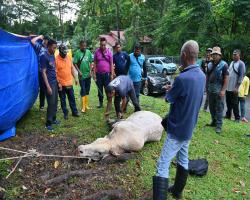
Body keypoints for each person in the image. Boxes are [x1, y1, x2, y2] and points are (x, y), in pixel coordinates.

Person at [153, 40, 205, 200]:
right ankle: (177, 191)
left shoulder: (182, 78)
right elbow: (186, 95)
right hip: (189, 127)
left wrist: (171, 89)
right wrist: (174, 87)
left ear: (184, 55)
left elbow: (168, 99)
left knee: (162, 164)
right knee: (183, 158)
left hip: (176, 129)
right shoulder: (202, 76)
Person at [207, 47, 229, 134]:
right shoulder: (209, 64)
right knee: (211, 107)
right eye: (213, 54)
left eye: (216, 54)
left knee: (219, 108)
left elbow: (226, 78)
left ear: (220, 55)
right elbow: (207, 77)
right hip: (210, 89)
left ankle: (219, 126)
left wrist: (223, 90)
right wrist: (206, 88)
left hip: (219, 90)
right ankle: (214, 122)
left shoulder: (224, 65)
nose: (215, 56)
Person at [55, 44, 79, 119]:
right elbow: (55, 73)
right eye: (64, 52)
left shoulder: (68, 57)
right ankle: (65, 113)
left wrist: (75, 78)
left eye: (66, 52)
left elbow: (72, 68)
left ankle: (75, 112)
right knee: (63, 100)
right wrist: (58, 83)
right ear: (60, 52)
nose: (65, 54)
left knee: (72, 98)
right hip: (61, 84)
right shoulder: (56, 60)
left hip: (69, 83)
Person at [40, 39, 59, 131]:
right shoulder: (44, 56)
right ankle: (48, 123)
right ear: (48, 46)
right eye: (53, 47)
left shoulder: (52, 55)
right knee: (51, 103)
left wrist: (58, 81)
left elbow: (53, 69)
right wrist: (48, 87)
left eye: (55, 48)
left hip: (54, 81)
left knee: (55, 101)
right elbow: (43, 72)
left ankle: (54, 119)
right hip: (49, 83)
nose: (55, 49)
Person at [225, 49, 245, 122]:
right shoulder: (232, 62)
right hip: (228, 87)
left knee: (235, 103)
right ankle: (228, 115)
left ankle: (237, 118)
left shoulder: (241, 64)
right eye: (233, 54)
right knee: (228, 102)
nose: (233, 55)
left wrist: (236, 88)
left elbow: (241, 76)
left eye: (235, 54)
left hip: (234, 88)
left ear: (239, 55)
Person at [93, 37, 114, 108]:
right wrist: (94, 74)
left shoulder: (109, 52)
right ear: (100, 44)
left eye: (104, 45)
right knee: (99, 89)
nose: (103, 46)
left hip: (107, 74)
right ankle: (100, 102)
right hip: (99, 74)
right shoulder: (97, 52)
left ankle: (109, 101)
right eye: (102, 45)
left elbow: (111, 64)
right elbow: (95, 63)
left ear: (106, 44)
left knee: (108, 89)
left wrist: (111, 74)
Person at [73, 40, 93, 113]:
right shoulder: (77, 53)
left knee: (87, 90)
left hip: (88, 75)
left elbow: (91, 62)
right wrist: (79, 71)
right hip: (81, 76)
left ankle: (86, 105)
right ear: (80, 46)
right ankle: (83, 107)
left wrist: (91, 71)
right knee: (83, 90)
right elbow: (74, 63)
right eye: (83, 46)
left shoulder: (88, 52)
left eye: (85, 46)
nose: (84, 47)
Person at [31, 35, 50, 110]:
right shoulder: (40, 47)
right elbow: (32, 41)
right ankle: (41, 105)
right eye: (46, 40)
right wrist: (39, 37)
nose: (47, 42)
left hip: (49, 71)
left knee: (50, 87)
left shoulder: (49, 48)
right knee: (42, 89)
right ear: (44, 40)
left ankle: (50, 104)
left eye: (47, 40)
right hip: (41, 71)